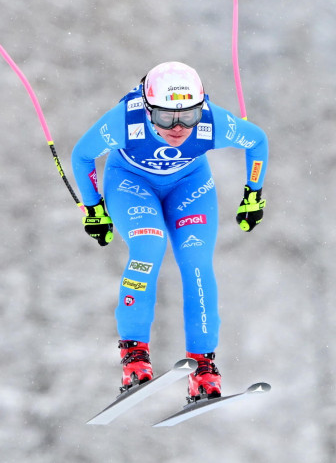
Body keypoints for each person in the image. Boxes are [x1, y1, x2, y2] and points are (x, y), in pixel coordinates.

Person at [71, 61, 268, 401]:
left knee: (197, 263)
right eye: (165, 117)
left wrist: (254, 194)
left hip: (189, 187)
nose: (178, 127)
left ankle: (204, 366)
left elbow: (258, 142)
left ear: (200, 107)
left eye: (188, 116)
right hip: (131, 183)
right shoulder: (125, 121)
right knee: (149, 245)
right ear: (148, 109)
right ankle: (134, 356)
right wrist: (94, 208)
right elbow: (82, 155)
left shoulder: (212, 122)